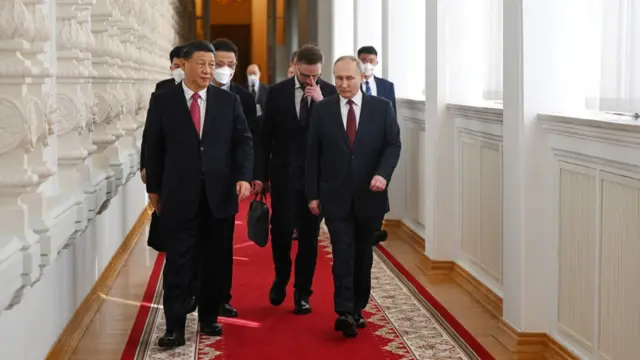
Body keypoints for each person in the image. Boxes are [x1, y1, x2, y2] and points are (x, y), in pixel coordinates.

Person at [145, 40, 253, 348]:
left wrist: (244, 176)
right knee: (179, 262)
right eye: (202, 64)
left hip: (219, 195)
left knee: (215, 261)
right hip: (178, 194)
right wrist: (153, 188)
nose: (209, 70)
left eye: (212, 64)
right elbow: (154, 147)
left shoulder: (227, 102)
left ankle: (209, 318)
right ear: (185, 65)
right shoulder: (163, 101)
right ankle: (174, 327)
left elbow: (243, 141)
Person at [305, 55, 401, 338]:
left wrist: (383, 174)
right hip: (335, 196)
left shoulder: (381, 108)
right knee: (343, 252)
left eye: (349, 78)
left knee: (362, 255)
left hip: (370, 196)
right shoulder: (323, 110)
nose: (344, 84)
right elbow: (313, 155)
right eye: (338, 78)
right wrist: (313, 195)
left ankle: (358, 308)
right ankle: (344, 311)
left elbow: (393, 145)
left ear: (361, 78)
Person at [257, 44, 337, 314]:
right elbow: (265, 137)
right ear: (295, 67)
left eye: (315, 75)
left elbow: (336, 136)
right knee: (280, 231)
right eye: (305, 76)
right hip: (283, 174)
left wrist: (320, 102)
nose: (310, 81)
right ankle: (281, 277)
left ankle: (303, 291)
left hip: (316, 179)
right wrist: (261, 175)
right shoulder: (277, 92)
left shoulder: (331, 94)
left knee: (309, 236)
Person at [207, 37, 262, 318]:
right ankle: (196, 292)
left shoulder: (244, 97)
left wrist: (250, 175)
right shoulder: (196, 93)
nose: (224, 69)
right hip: (196, 179)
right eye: (219, 64)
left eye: (230, 64)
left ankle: (221, 298)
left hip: (228, 182)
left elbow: (250, 139)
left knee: (223, 242)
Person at [357, 45, 397, 244]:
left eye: (371, 60)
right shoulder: (352, 85)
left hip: (381, 143)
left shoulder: (387, 86)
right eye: (363, 60)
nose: (367, 64)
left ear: (377, 62)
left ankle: (375, 227)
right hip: (358, 143)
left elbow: (392, 117)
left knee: (380, 184)